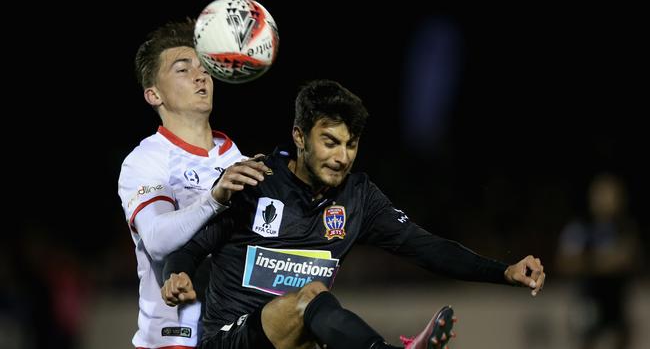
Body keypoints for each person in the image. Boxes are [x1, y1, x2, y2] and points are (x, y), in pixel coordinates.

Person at [161, 80, 546, 349]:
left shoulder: (357, 197)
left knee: (318, 316)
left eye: (351, 144)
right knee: (310, 296)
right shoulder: (254, 183)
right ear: (299, 136)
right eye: (329, 142)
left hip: (300, 344)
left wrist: (504, 271)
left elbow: (426, 247)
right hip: (231, 340)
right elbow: (191, 247)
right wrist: (175, 273)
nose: (341, 156)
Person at [118, 19, 269, 348]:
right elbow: (157, 239)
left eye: (205, 68)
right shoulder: (147, 160)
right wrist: (215, 197)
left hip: (235, 332)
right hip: (174, 336)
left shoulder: (237, 159)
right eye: (183, 69)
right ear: (153, 94)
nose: (201, 76)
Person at [556, 173, 641, 349]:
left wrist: (589, 262)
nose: (606, 200)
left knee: (620, 339)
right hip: (589, 299)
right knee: (587, 338)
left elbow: (628, 258)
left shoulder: (625, 228)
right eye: (601, 194)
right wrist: (604, 261)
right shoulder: (581, 228)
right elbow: (566, 262)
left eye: (611, 194)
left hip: (616, 301)